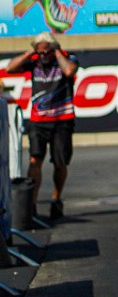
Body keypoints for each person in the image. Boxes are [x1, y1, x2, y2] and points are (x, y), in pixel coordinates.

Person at [8, 31, 79, 221]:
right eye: (40, 52)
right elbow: (10, 68)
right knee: (35, 160)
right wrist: (30, 53)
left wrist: (56, 53)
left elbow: (69, 71)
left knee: (60, 162)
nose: (43, 56)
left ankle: (56, 198)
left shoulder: (68, 58)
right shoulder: (35, 62)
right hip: (38, 121)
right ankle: (31, 204)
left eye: (46, 52)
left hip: (62, 119)